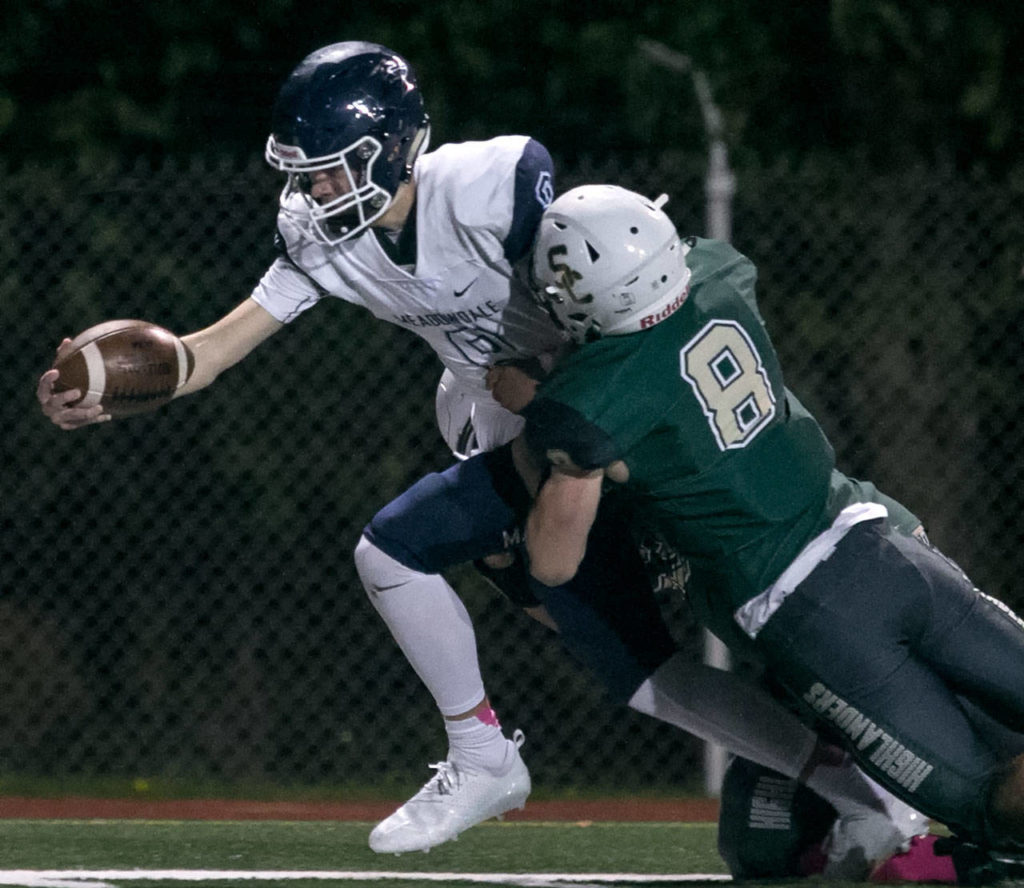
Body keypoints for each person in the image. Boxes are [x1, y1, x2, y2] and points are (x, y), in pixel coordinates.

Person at [36, 41, 923, 868]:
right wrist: (109, 390)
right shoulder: (318, 236)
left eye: (332, 168)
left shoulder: (490, 187)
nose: (313, 191)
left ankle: (493, 753)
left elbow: (610, 305)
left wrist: (562, 402)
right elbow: (210, 351)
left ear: (392, 148)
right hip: (528, 434)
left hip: (619, 415)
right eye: (302, 173)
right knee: (634, 667)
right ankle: (851, 789)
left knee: (739, 599)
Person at [516, 183, 1024, 883]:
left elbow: (552, 561)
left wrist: (545, 436)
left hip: (810, 611)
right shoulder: (718, 272)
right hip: (879, 543)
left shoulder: (593, 397)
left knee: (987, 807)